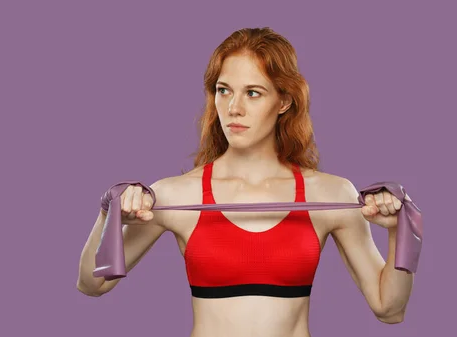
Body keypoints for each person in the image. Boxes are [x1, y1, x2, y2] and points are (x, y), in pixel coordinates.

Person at [76, 27, 415, 337]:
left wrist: (399, 231)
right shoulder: (175, 194)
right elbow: (92, 284)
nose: (233, 108)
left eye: (253, 93)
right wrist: (109, 213)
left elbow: (389, 309)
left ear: (283, 101)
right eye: (224, 91)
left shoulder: (330, 193)